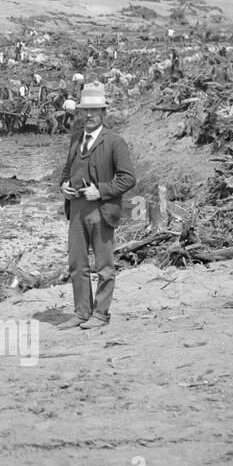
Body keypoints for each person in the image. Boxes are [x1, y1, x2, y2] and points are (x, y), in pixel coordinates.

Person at [57, 84, 136, 330]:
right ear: (79, 114)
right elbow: (66, 172)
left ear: (103, 113)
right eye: (84, 111)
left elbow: (128, 179)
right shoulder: (75, 139)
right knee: (76, 264)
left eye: (94, 111)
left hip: (101, 211)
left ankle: (100, 314)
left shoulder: (115, 142)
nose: (88, 116)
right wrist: (64, 186)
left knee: (104, 267)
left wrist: (100, 191)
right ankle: (82, 312)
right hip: (77, 211)